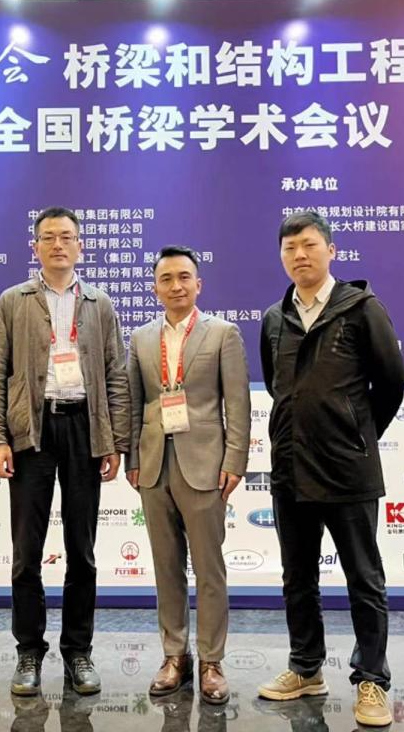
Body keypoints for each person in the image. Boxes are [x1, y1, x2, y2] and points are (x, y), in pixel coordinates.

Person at [257, 211, 404, 727]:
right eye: (290, 248)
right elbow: (277, 387)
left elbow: (392, 381)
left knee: (364, 577)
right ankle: (306, 667)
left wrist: (357, 434)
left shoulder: (362, 309)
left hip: (348, 471)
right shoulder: (274, 318)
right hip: (290, 469)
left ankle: (372, 679)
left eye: (309, 245)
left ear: (331, 250)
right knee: (297, 578)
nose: (299, 255)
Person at [0, 206, 130, 696]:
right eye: (49, 237)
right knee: (26, 552)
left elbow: (115, 374)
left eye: (67, 236)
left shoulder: (100, 304)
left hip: (85, 430)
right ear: (36, 247)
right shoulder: (13, 301)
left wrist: (115, 441)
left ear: (80, 245)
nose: (58, 244)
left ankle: (78, 652)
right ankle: (29, 651)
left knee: (81, 551)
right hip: (32, 431)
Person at [126, 246, 250, 705]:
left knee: (209, 568)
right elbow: (134, 402)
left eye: (184, 277)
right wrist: (132, 457)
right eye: (166, 279)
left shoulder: (222, 333)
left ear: (198, 284)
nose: (175, 286)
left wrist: (234, 460)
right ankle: (174, 656)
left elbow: (237, 402)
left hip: (206, 466)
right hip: (154, 464)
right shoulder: (141, 338)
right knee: (166, 567)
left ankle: (211, 661)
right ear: (155, 288)